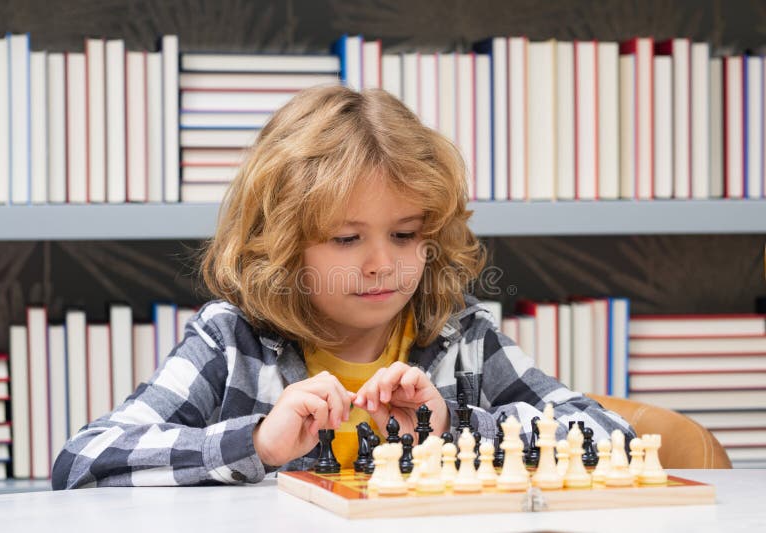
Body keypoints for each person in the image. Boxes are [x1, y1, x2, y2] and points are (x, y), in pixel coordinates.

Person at [52, 85, 634, 489]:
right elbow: (82, 460)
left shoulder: (461, 336)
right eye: (346, 239)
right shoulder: (230, 342)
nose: (382, 264)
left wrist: (455, 425)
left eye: (405, 234)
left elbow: (613, 439)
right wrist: (256, 443)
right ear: (280, 243)